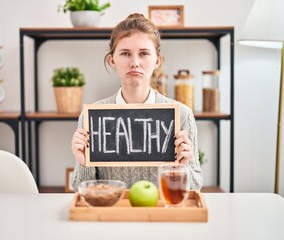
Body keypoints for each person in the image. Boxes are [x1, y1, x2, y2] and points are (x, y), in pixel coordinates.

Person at [71, 13, 203, 191]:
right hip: (112, 214)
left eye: (144, 54)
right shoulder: (91, 117)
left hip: (161, 215)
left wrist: (182, 168)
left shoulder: (182, 115)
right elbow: (81, 190)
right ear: (112, 60)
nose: (135, 63)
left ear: (158, 61)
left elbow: (195, 187)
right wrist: (84, 163)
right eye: (125, 54)